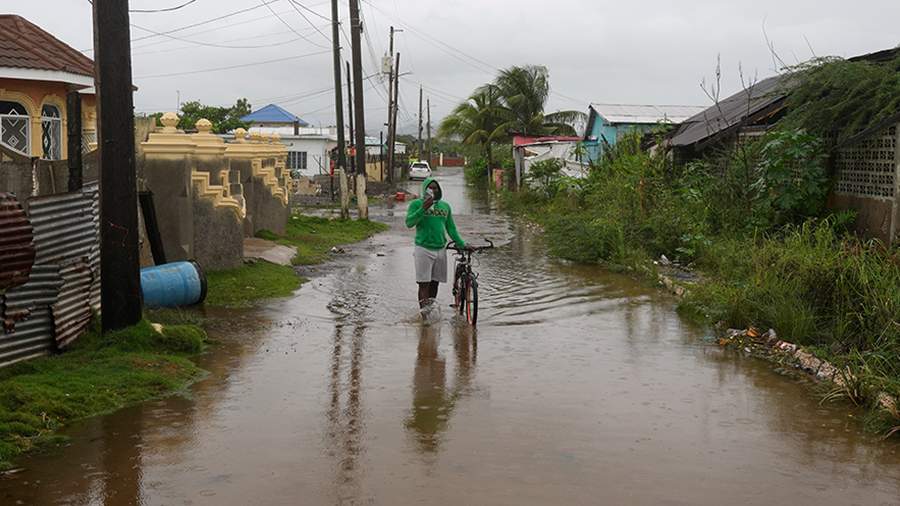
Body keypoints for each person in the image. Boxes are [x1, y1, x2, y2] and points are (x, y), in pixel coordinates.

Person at [405, 177, 467, 309]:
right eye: (430, 187)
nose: (433, 190)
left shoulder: (445, 206)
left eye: (435, 188)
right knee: (424, 284)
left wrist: (462, 243)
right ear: (425, 189)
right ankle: (424, 316)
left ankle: (430, 308)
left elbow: (451, 228)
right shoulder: (416, 204)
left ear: (439, 190)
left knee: (435, 283)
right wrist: (423, 208)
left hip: (440, 249)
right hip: (423, 249)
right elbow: (409, 223)